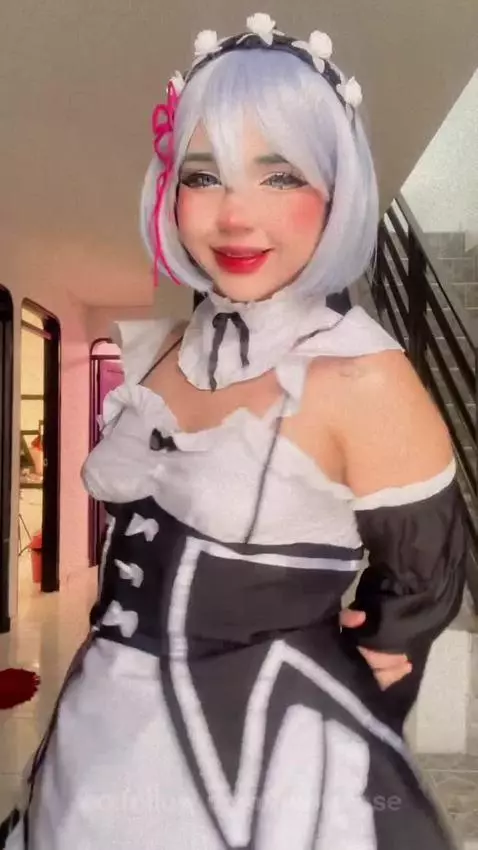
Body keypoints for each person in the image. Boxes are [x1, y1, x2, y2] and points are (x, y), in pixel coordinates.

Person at [1, 13, 468, 849]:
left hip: (270, 774)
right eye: (204, 176)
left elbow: (420, 585)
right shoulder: (167, 349)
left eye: (281, 175)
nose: (235, 215)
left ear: (339, 191)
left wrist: (354, 679)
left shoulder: (363, 378)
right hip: (96, 737)